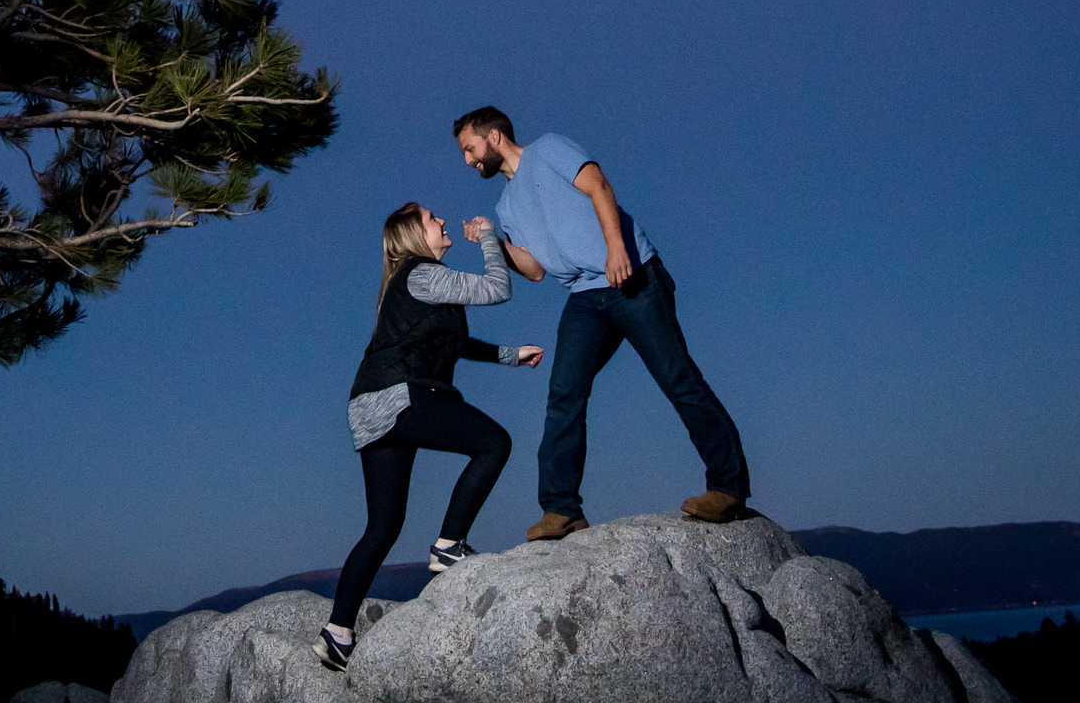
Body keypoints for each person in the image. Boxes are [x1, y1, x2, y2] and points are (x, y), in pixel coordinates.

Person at [452, 105, 754, 542]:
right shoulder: (505, 205)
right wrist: (493, 242)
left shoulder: (549, 148)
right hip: (583, 296)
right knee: (563, 394)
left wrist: (616, 248)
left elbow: (598, 186)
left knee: (677, 377)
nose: (468, 160)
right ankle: (561, 510)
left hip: (632, 275)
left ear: (494, 136)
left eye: (469, 148)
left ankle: (728, 488)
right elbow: (535, 269)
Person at [318, 202, 544, 672]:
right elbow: (498, 288)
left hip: (371, 404)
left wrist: (509, 356)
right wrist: (486, 235)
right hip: (401, 395)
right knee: (493, 442)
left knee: (382, 527)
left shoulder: (414, 284)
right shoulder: (421, 273)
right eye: (432, 219)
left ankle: (337, 634)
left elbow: (453, 344)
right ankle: (449, 544)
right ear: (415, 237)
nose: (442, 222)